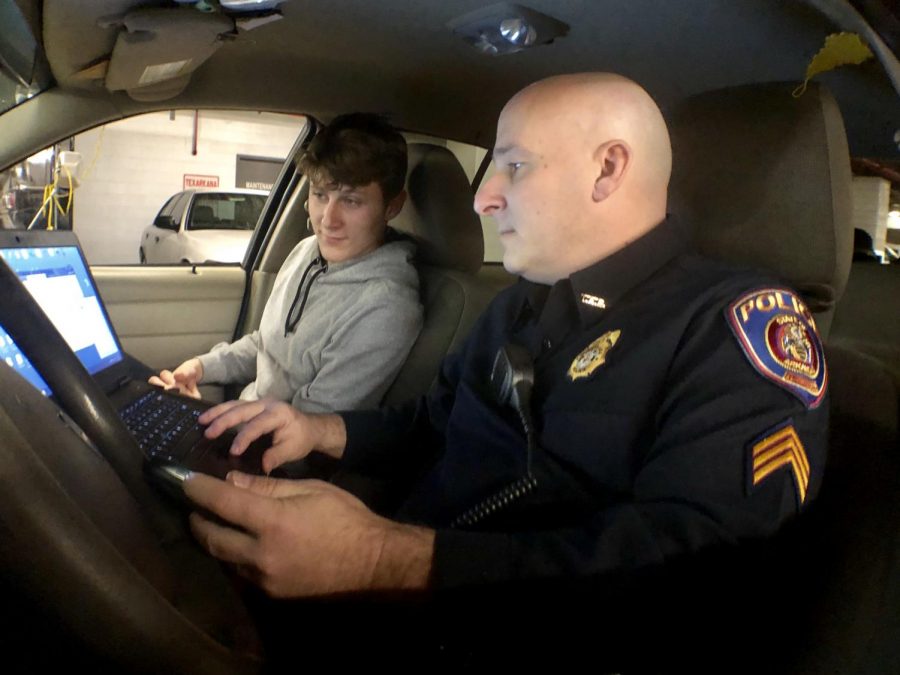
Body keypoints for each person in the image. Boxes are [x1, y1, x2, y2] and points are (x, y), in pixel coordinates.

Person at [183, 74, 828, 616]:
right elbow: (432, 422)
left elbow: (693, 566)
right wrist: (319, 430)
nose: (484, 197)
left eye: (513, 166)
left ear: (608, 169)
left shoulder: (735, 328)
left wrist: (382, 557)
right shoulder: (520, 303)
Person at [149, 113, 423, 413]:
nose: (327, 220)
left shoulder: (386, 306)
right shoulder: (307, 252)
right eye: (320, 195)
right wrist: (200, 367)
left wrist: (206, 417)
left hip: (278, 451)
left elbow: (310, 428)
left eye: (351, 201)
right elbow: (267, 344)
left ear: (391, 207)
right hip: (248, 422)